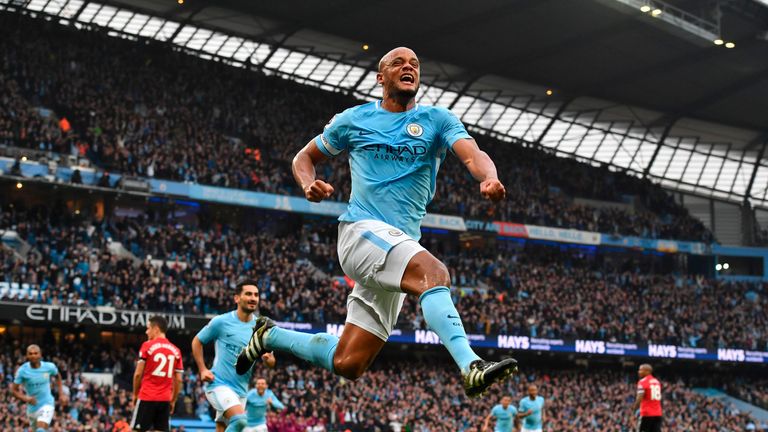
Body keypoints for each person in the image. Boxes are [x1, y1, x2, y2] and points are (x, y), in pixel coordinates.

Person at [237, 46, 516, 398]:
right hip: (361, 232)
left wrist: (487, 178)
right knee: (435, 274)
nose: (408, 67)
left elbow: (474, 155)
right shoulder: (354, 119)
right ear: (381, 77)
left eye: (415, 63)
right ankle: (470, 364)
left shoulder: (437, 120)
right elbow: (304, 157)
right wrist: (308, 184)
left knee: (349, 362)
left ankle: (269, 335)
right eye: (398, 62)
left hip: (399, 246)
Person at [192, 278, 276, 432]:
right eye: (248, 294)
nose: (253, 298)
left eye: (256, 295)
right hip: (219, 384)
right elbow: (197, 341)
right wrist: (203, 369)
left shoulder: (261, 328)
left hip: (241, 391)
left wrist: (269, 359)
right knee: (240, 421)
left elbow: (271, 362)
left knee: (222, 428)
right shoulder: (221, 322)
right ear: (237, 298)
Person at [131, 315, 183, 432]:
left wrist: (135, 394)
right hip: (165, 399)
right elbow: (179, 380)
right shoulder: (176, 351)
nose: (146, 331)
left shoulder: (147, 346)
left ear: (156, 329)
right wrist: (173, 400)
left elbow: (138, 374)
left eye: (148, 328)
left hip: (147, 396)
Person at [11, 344, 67, 432]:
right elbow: (13, 390)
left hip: (47, 403)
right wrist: (26, 398)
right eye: (31, 353)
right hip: (32, 408)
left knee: (41, 429)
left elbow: (58, 377)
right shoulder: (22, 371)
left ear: (40, 354)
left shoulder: (49, 367)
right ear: (27, 355)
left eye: (36, 353)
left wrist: (61, 394)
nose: (33, 356)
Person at [632, 364, 662, 432]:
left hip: (647, 414)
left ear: (647, 371)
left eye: (641, 370)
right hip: (658, 414)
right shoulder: (657, 382)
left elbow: (639, 399)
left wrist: (633, 411)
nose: (639, 371)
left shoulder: (642, 382)